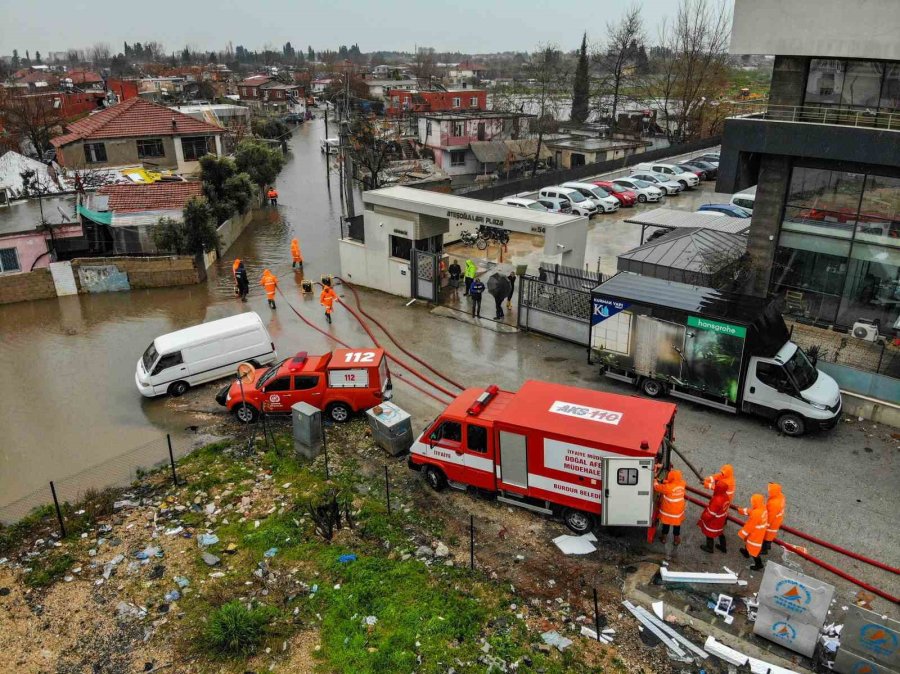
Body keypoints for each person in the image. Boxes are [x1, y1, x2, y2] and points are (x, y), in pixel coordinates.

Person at [703, 464, 736, 550]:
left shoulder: (725, 485)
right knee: (720, 528)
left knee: (710, 530)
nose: (722, 473)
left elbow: (717, 487)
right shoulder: (728, 477)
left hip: (717, 514)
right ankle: (723, 546)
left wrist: (708, 485)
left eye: (723, 472)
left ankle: (709, 547)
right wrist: (708, 479)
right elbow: (718, 476)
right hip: (724, 507)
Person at [654, 469, 686, 545]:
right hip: (678, 510)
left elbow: (657, 487)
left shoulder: (667, 488)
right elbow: (672, 482)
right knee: (677, 525)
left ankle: (664, 538)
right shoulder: (682, 483)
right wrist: (662, 481)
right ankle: (676, 539)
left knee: (666, 524)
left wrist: (655, 481)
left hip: (668, 510)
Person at [737, 493, 768, 570]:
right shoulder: (762, 508)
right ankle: (746, 552)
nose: (752, 503)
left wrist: (741, 534)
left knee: (754, 549)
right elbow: (750, 511)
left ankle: (759, 564)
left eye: (752, 501)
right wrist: (740, 510)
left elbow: (749, 526)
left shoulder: (756, 513)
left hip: (755, 534)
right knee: (749, 544)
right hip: (759, 532)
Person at [698, 480, 729, 553]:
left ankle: (709, 548)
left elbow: (710, 513)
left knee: (709, 534)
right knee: (720, 532)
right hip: (721, 519)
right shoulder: (725, 496)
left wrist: (703, 517)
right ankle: (723, 547)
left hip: (714, 521)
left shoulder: (717, 500)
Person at [762, 482, 785, 555]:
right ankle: (767, 546)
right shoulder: (780, 496)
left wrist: (765, 525)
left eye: (770, 490)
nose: (768, 491)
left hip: (772, 523)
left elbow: (770, 516)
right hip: (777, 520)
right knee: (770, 536)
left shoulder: (774, 504)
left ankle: (764, 549)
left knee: (767, 536)